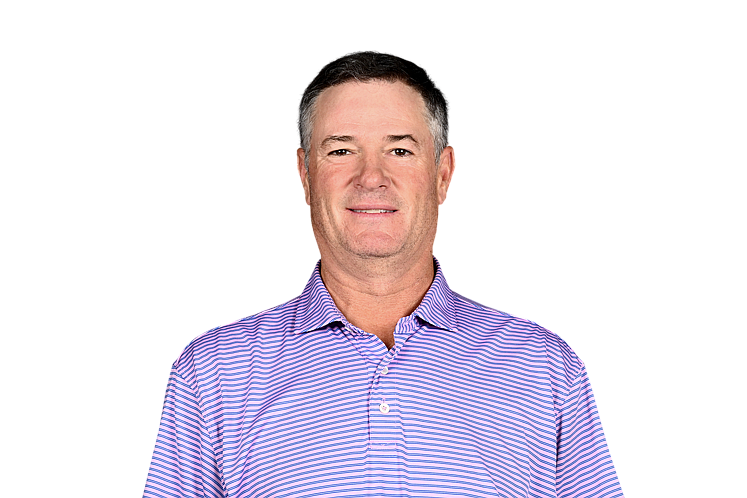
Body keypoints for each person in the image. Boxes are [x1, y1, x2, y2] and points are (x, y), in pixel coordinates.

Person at [143, 50, 624, 498]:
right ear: (304, 175)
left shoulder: (544, 366)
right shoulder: (213, 372)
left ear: (443, 174)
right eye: (340, 151)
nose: (371, 177)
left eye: (400, 150)